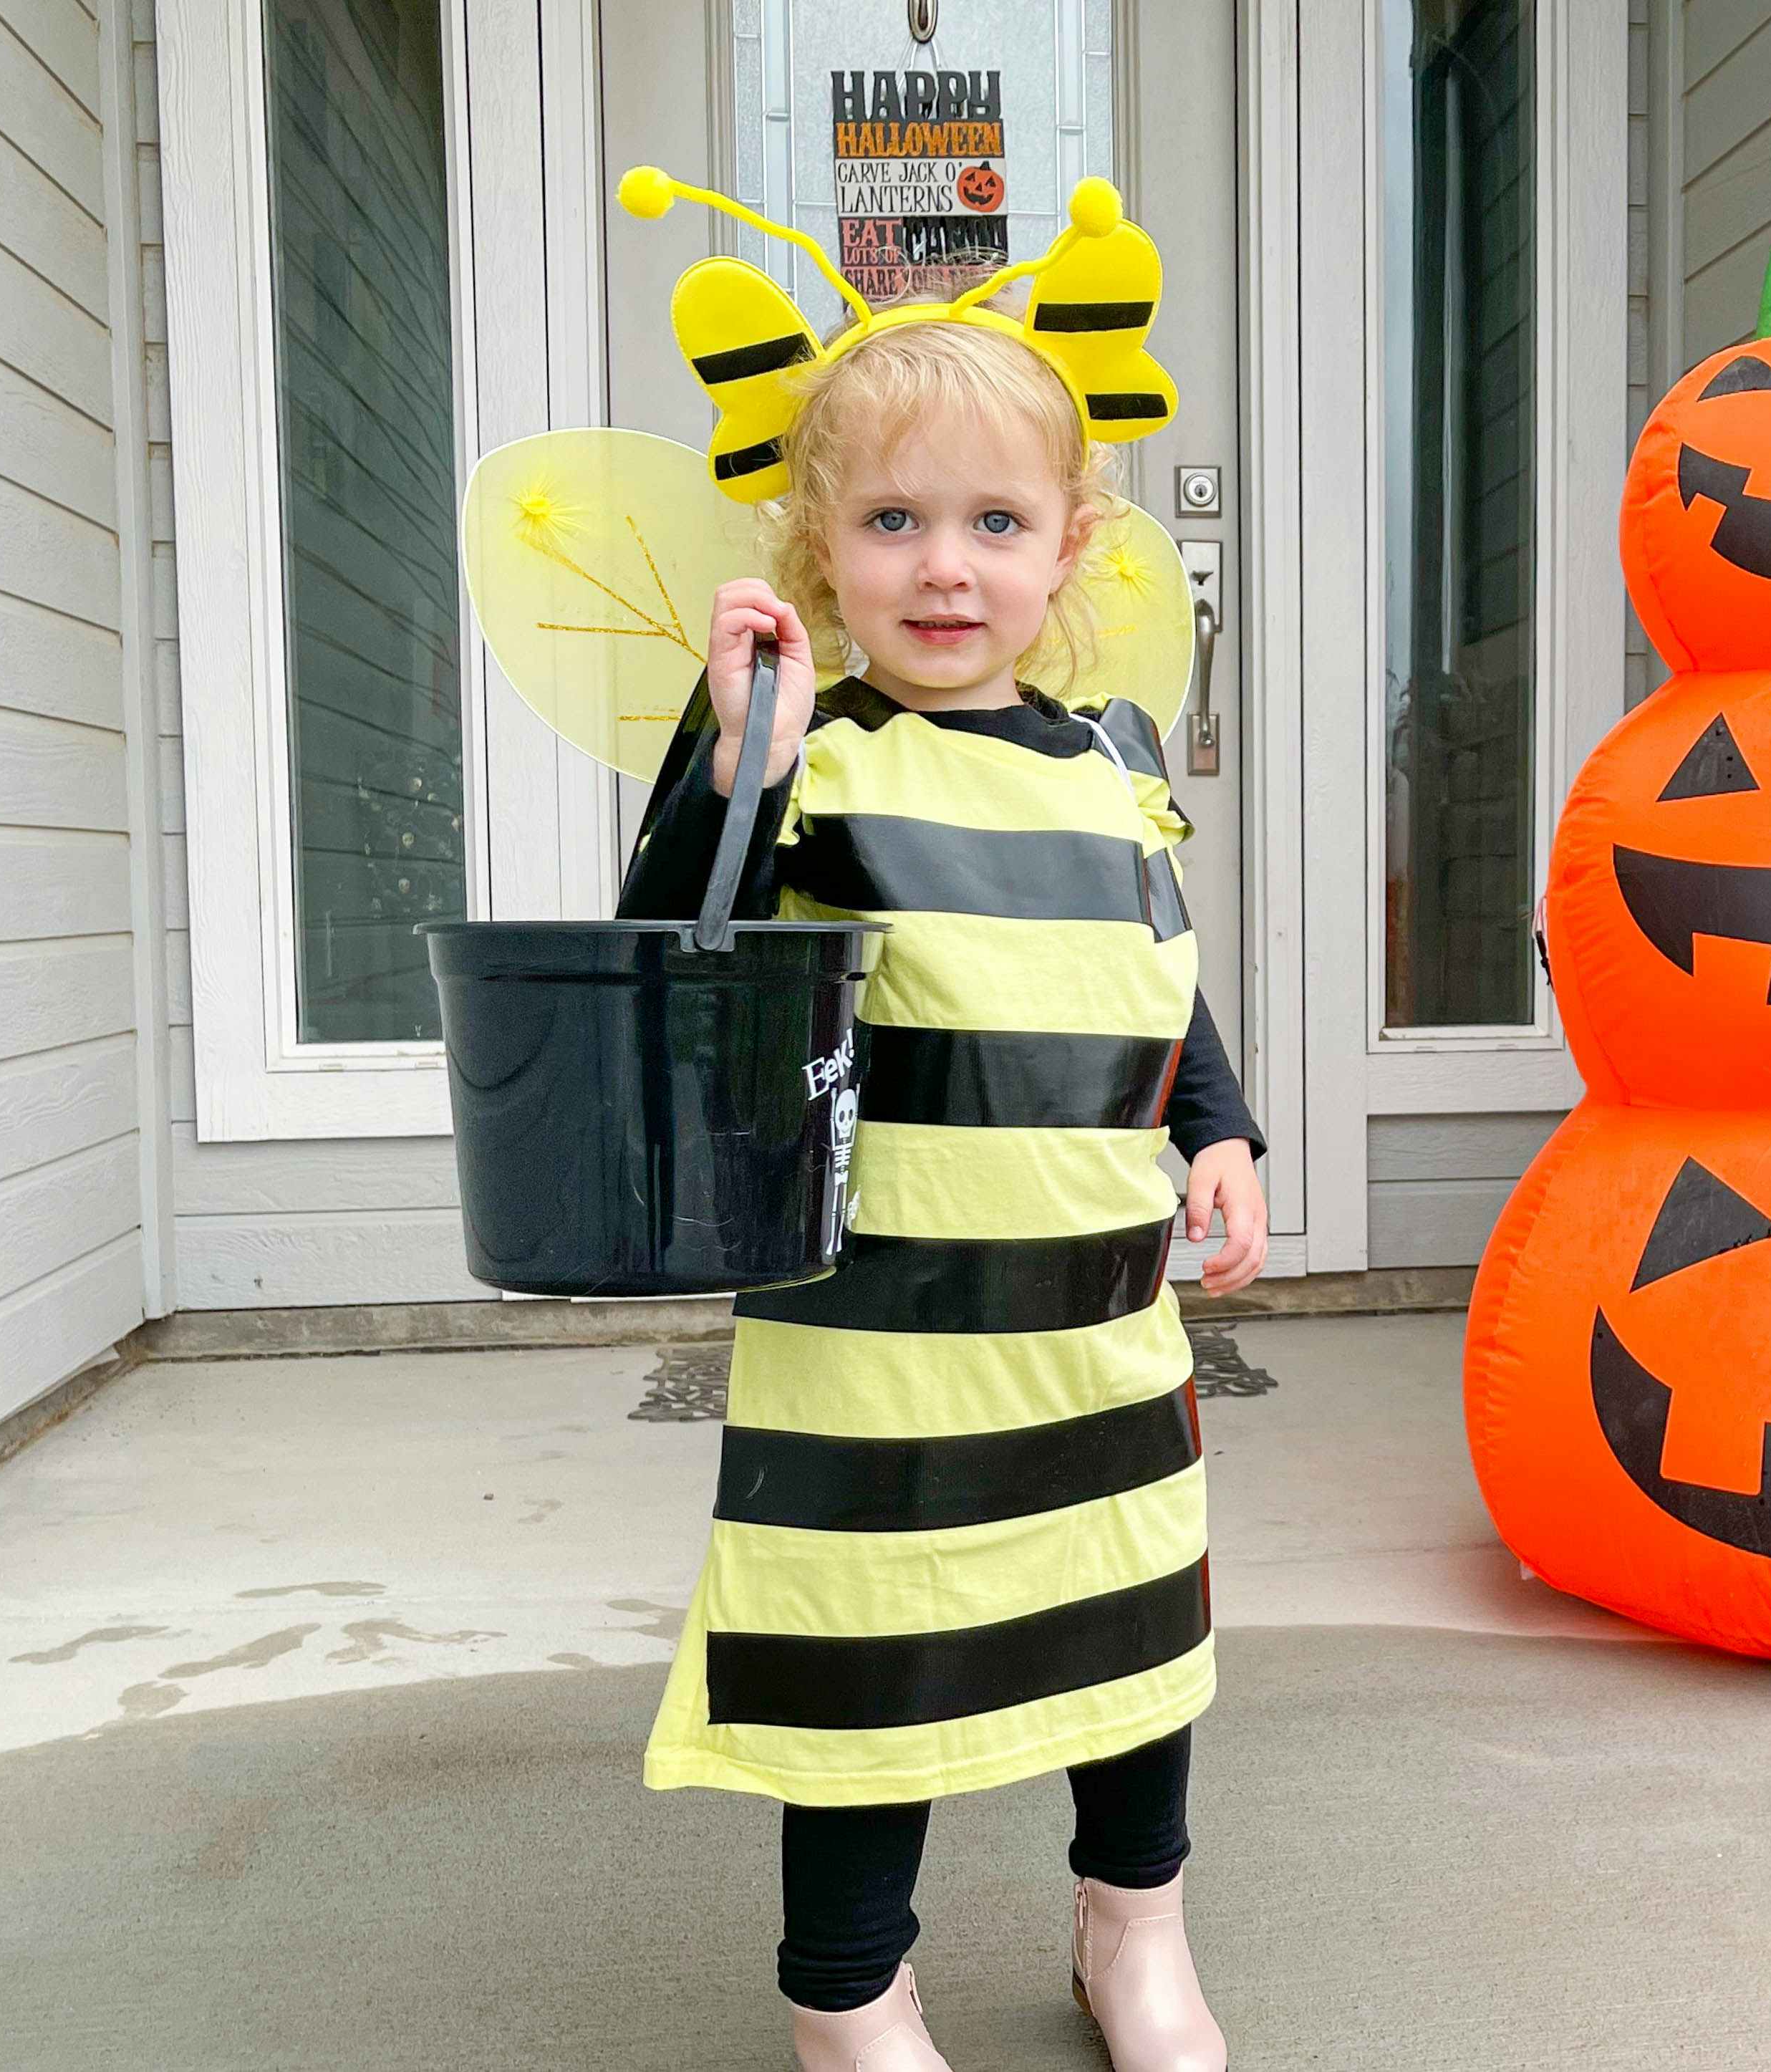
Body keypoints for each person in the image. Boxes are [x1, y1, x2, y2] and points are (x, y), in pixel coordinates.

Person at [613, 310, 1264, 2072]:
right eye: (892, 522)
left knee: (1126, 1619)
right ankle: (848, 1992)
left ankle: (1134, 1926)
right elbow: (673, 958)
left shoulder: (1116, 765)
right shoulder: (814, 764)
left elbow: (1154, 971)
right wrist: (728, 756)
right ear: (817, 550)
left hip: (1095, 1319)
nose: (946, 566)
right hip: (878, 1337)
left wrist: (1218, 1125)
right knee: (870, 1653)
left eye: (995, 522)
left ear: (1073, 547)